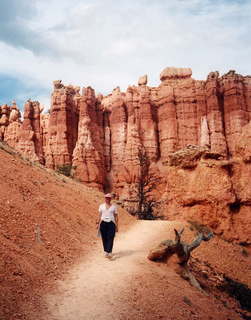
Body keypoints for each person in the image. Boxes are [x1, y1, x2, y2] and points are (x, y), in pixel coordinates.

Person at [97, 193, 118, 259]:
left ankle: (109, 252)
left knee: (111, 237)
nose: (107, 199)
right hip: (103, 223)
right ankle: (106, 251)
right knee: (104, 237)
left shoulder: (114, 207)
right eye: (106, 198)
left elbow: (116, 216)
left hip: (111, 223)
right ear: (105, 198)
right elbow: (99, 215)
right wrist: (98, 223)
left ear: (110, 199)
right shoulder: (101, 206)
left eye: (109, 198)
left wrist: (117, 226)